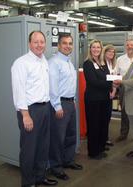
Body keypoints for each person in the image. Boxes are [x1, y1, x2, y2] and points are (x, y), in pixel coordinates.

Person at [11, 31, 58, 187]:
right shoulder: (21, 63)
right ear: (29, 44)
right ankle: (28, 182)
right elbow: (19, 90)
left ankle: (40, 177)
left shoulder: (43, 60)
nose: (39, 45)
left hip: (45, 109)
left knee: (43, 146)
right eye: (36, 42)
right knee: (29, 150)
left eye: (42, 42)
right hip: (30, 111)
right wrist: (25, 115)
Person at [48, 34, 83, 181]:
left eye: (70, 43)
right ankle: (56, 167)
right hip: (59, 104)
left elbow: (69, 85)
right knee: (58, 138)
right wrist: (57, 106)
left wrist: (73, 100)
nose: (68, 46)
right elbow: (52, 87)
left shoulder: (68, 62)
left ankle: (68, 160)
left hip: (70, 103)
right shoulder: (54, 62)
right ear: (58, 45)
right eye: (64, 43)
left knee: (70, 134)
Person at [83, 39, 112, 159]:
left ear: (101, 49)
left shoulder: (103, 62)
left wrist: (111, 81)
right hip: (93, 99)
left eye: (98, 47)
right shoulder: (88, 63)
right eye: (93, 47)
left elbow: (108, 76)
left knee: (103, 123)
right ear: (90, 49)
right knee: (94, 125)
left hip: (105, 98)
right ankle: (93, 151)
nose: (96, 49)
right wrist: (109, 84)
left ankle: (100, 147)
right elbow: (93, 81)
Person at [115, 39, 133, 142]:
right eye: (128, 45)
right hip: (124, 88)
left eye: (131, 45)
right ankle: (123, 133)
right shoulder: (120, 59)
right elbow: (115, 73)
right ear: (125, 47)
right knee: (124, 111)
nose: (129, 47)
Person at [100, 44, 117, 148]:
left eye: (113, 52)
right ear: (104, 52)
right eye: (109, 51)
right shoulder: (101, 64)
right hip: (103, 93)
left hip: (110, 92)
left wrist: (114, 91)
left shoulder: (113, 64)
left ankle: (105, 138)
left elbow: (114, 79)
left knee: (107, 117)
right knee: (102, 117)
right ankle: (102, 139)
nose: (111, 53)